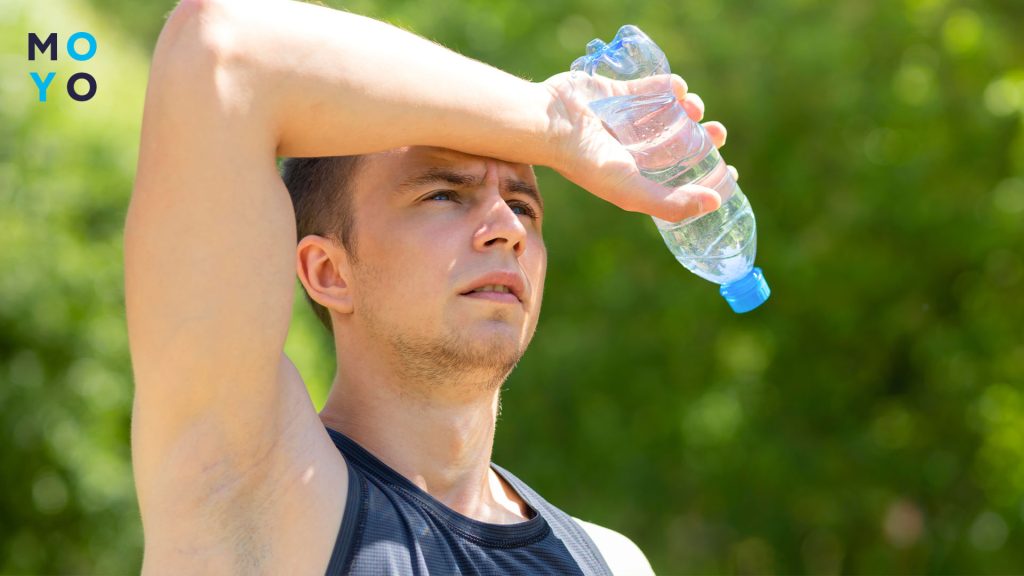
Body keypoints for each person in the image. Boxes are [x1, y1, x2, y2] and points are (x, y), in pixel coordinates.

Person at [124, 0, 730, 573]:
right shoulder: (253, 491)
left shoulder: (611, 562)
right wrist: (554, 126)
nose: (506, 231)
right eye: (443, 195)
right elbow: (220, 45)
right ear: (328, 273)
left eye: (524, 206)